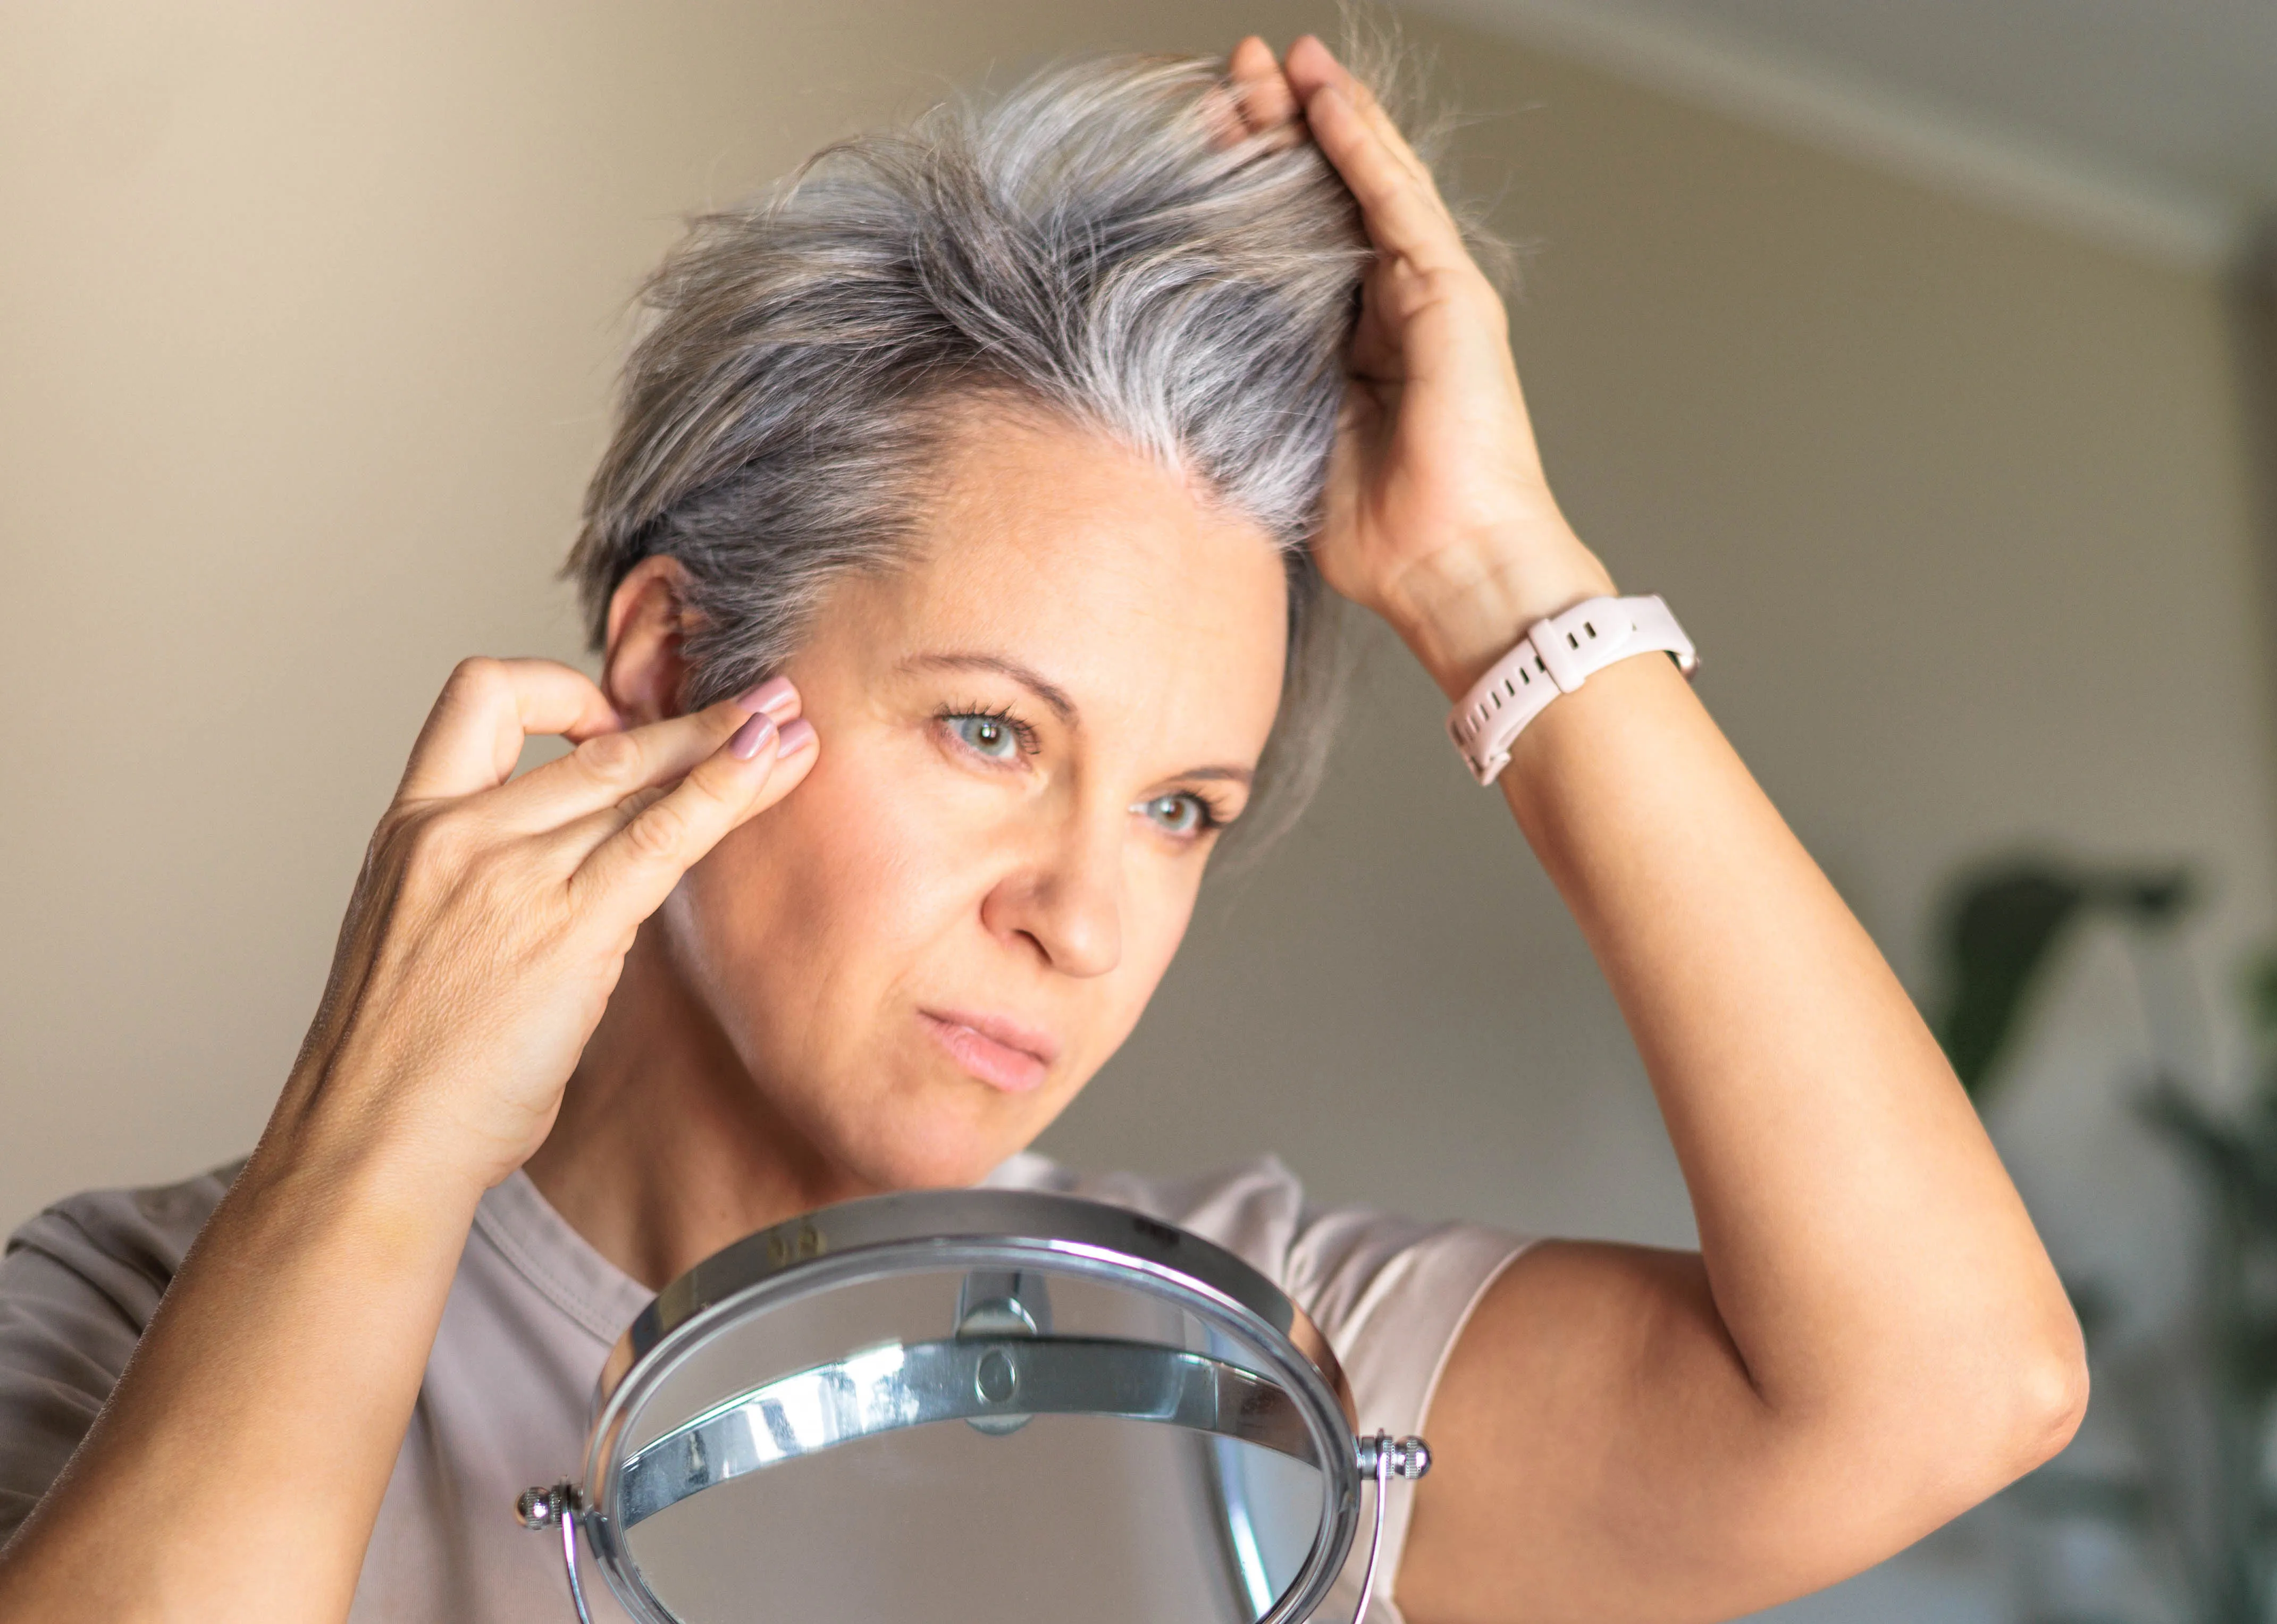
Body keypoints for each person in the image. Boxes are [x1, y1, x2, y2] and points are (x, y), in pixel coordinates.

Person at [0, 33, 2084, 1624]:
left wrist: (1497, 589)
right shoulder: (137, 1312)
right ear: (661, 666)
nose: (1086, 914)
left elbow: (1945, 1384)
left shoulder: (1239, 1368)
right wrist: (378, 1135)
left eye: (1183, 804)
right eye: (993, 731)